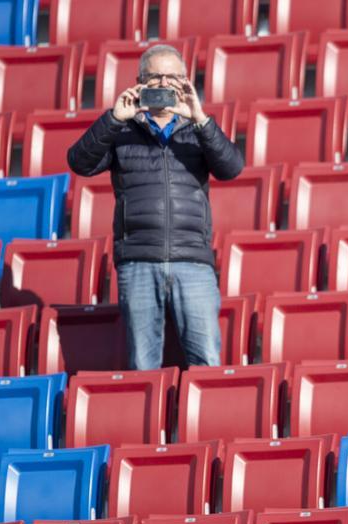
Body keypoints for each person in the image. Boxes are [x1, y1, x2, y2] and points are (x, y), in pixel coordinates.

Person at [66, 44, 243, 371]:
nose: (163, 85)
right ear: (139, 82)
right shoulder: (121, 131)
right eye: (155, 77)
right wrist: (113, 119)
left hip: (192, 260)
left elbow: (231, 168)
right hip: (138, 260)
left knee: (207, 363)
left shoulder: (197, 129)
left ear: (186, 82)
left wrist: (201, 119)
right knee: (143, 366)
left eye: (173, 77)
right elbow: (79, 162)